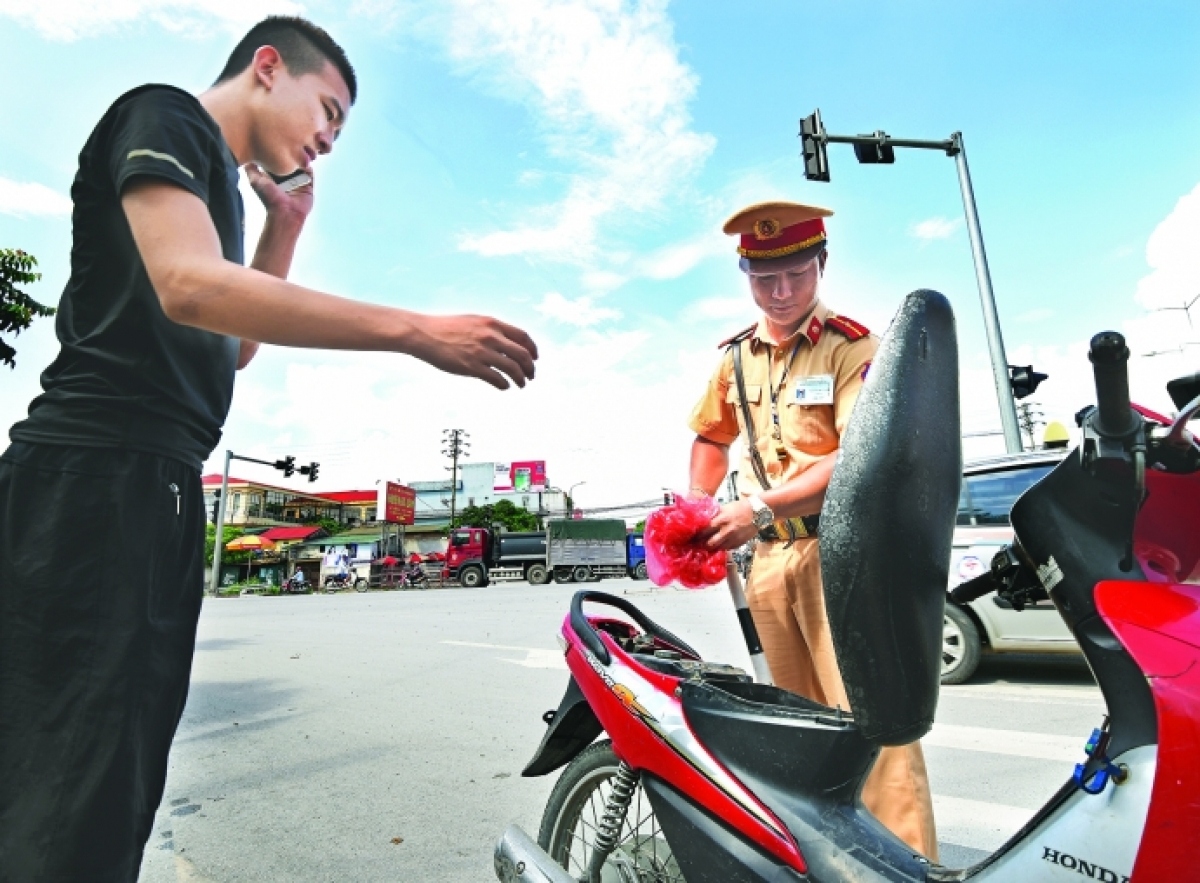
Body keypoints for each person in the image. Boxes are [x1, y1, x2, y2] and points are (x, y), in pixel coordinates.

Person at [0, 15, 538, 881]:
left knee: (115, 780)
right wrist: (412, 330)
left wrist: (282, 224)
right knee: (66, 785)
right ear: (266, 67)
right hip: (95, 476)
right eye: (328, 109)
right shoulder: (165, 117)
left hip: (153, 484)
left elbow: (232, 340)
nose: (328, 137)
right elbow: (189, 288)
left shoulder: (214, 178)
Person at [686, 200, 938, 859]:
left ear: (821, 263)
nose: (781, 291)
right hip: (767, 563)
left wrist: (760, 506)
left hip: (844, 552)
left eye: (796, 273)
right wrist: (696, 503)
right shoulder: (734, 358)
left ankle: (906, 865)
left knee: (874, 725)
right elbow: (711, 437)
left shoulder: (853, 346)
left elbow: (857, 454)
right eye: (764, 278)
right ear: (745, 274)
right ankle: (828, 863)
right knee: (800, 729)